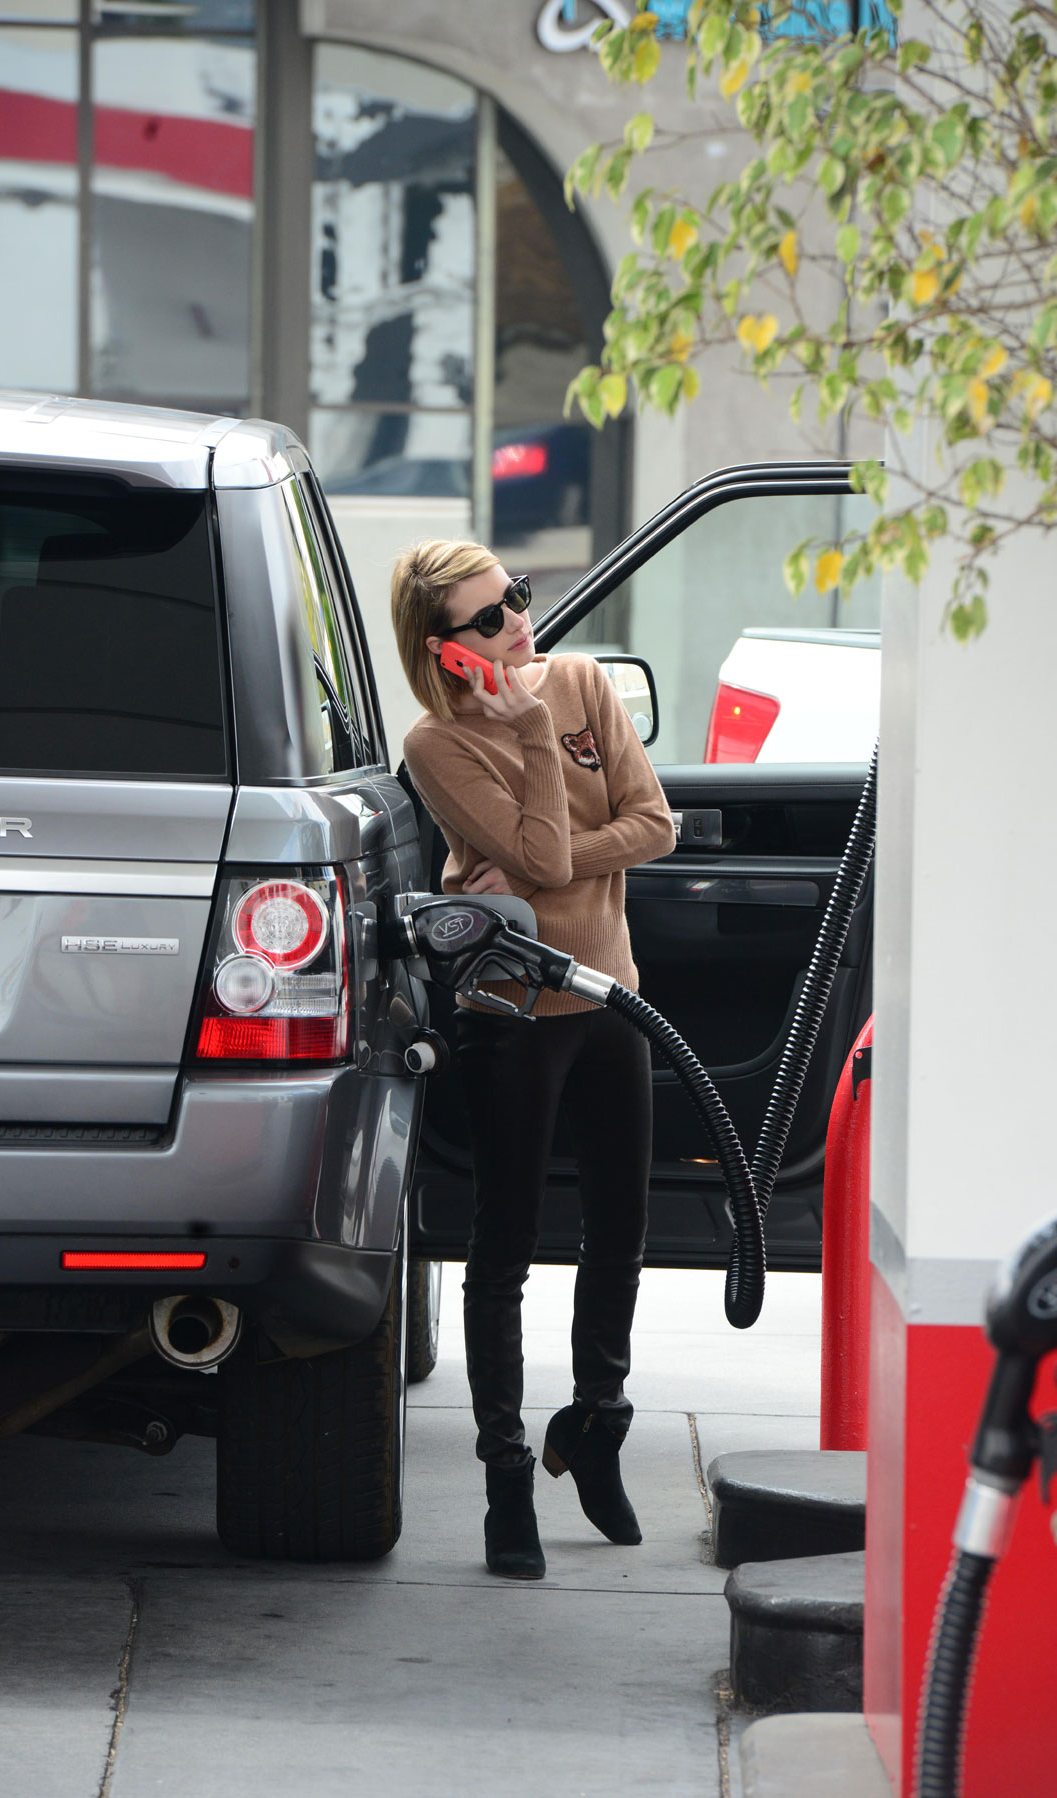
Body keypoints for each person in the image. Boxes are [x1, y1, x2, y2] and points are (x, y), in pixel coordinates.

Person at [391, 538, 677, 1580]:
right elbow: (551, 858)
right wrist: (531, 759)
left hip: (612, 993)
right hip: (511, 1007)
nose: (517, 621)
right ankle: (506, 1473)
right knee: (503, 1243)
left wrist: (529, 864)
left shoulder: (583, 680)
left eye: (516, 596)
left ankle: (595, 1420)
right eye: (488, 617)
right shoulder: (438, 745)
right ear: (445, 649)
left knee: (622, 1228)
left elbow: (656, 825)